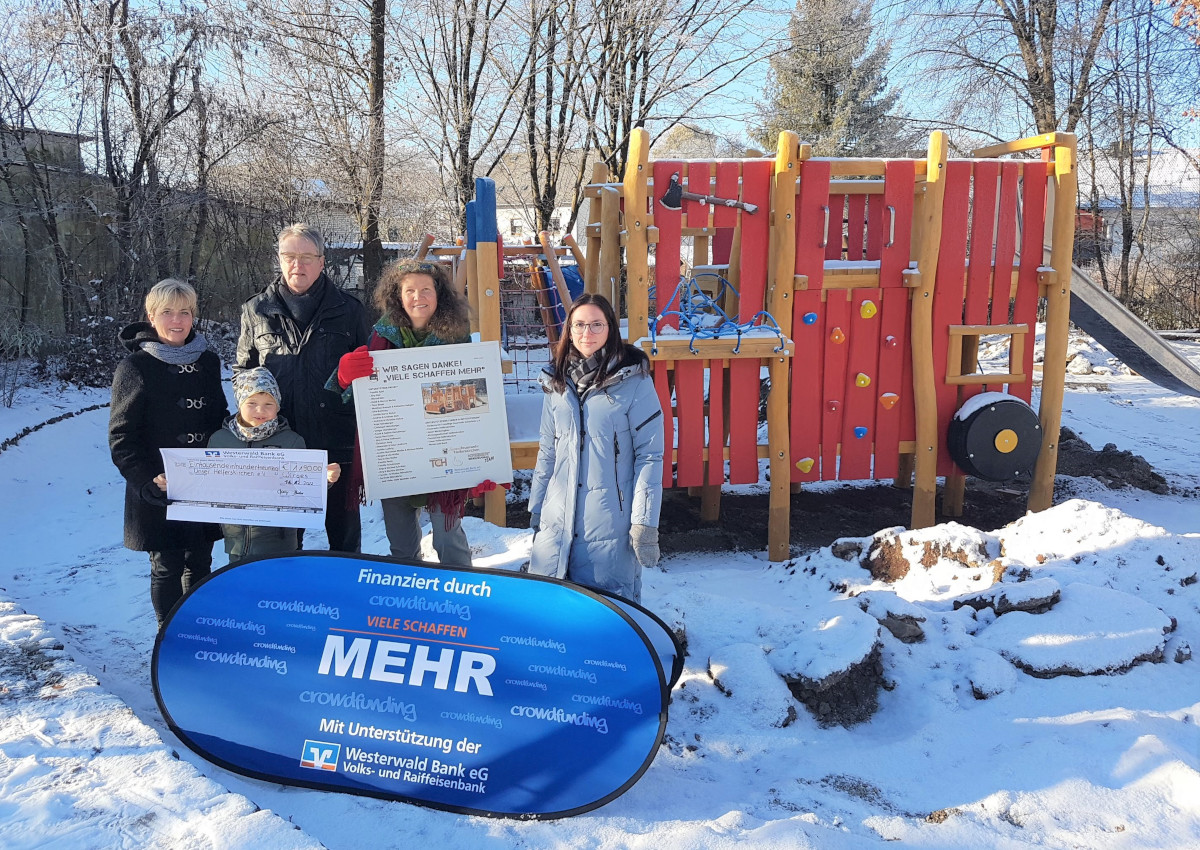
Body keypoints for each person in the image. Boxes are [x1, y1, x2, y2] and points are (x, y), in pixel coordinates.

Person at [335, 258, 489, 566]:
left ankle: (464, 595)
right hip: (396, 451)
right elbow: (355, 398)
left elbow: (475, 401)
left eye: (426, 289)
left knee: (448, 537)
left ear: (439, 294)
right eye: (410, 290)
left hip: (444, 452)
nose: (418, 297)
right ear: (397, 295)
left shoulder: (456, 338)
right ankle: (410, 598)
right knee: (401, 542)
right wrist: (345, 377)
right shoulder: (381, 337)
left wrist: (483, 457)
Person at [236, 223, 369, 552]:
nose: (299, 265)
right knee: (281, 542)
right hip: (280, 442)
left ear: (322, 262)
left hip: (336, 441)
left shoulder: (349, 310)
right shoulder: (256, 310)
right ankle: (288, 600)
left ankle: (346, 596)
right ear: (279, 260)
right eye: (290, 256)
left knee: (344, 539)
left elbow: (369, 375)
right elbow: (242, 371)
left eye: (307, 257)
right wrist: (253, 404)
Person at [526, 293, 665, 604]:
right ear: (569, 330)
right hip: (557, 517)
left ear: (610, 329)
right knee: (550, 608)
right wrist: (537, 506)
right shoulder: (556, 381)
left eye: (596, 325)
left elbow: (650, 456)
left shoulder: (634, 380)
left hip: (608, 522)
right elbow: (548, 450)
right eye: (579, 325)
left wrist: (645, 521)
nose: (586, 334)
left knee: (607, 611)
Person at [109, 279, 228, 628]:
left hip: (203, 482)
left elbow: (218, 418)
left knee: (201, 561)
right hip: (159, 487)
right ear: (151, 315)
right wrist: (147, 480)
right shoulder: (134, 368)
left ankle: (196, 631)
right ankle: (168, 637)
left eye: (185, 312)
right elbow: (121, 436)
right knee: (167, 565)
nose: (177, 320)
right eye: (167, 312)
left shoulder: (208, 362)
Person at [206, 367, 341, 562]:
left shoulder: (291, 441)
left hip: (281, 542)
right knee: (243, 589)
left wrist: (324, 479)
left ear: (278, 406)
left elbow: (303, 485)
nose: (260, 410)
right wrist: (178, 483)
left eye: (269, 403)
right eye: (251, 402)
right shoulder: (219, 440)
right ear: (239, 403)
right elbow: (205, 482)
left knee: (278, 590)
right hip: (235, 541)